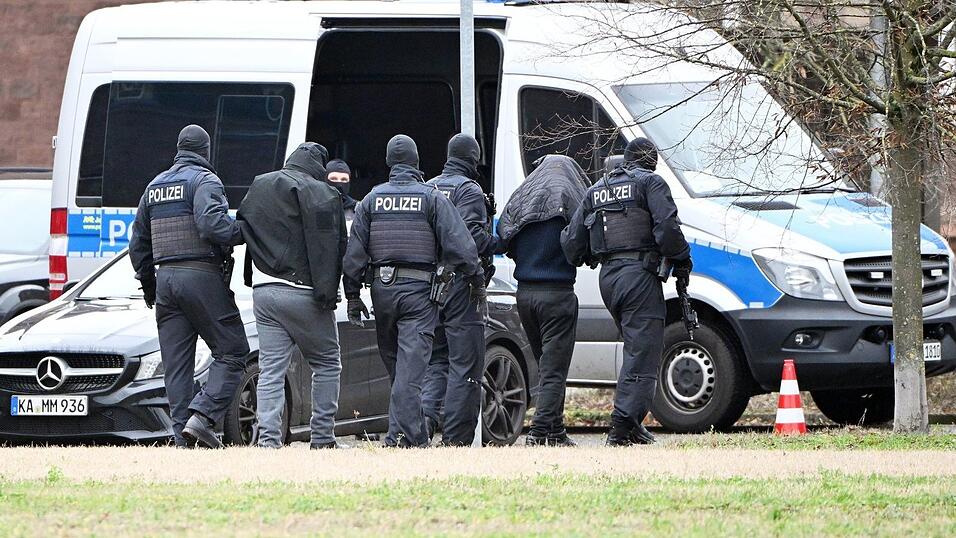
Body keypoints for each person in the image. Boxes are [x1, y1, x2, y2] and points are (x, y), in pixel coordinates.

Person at [343, 134, 484, 448]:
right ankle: (413, 437)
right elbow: (462, 246)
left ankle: (397, 435)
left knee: (397, 368)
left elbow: (353, 255)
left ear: (390, 164)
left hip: (382, 291)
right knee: (409, 372)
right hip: (419, 294)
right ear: (416, 162)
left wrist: (353, 296)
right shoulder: (431, 197)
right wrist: (475, 278)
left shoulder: (370, 199)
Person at [562, 138, 692, 446]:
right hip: (639, 278)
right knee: (643, 352)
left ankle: (633, 424)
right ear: (652, 161)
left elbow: (571, 243)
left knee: (635, 348)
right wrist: (683, 259)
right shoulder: (651, 183)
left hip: (609, 279)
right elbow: (668, 229)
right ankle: (622, 426)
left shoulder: (597, 190)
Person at [129, 124, 248, 449]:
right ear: (205, 151)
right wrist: (245, 231)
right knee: (234, 351)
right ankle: (203, 416)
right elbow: (214, 227)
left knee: (177, 365)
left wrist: (150, 287)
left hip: (165, 279)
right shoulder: (204, 180)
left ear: (179, 148)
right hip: (201, 275)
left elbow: (138, 243)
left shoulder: (154, 187)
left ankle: (183, 437)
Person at [237, 142, 347, 450]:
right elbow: (330, 247)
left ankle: (268, 440)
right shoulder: (324, 194)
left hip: (263, 291)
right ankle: (322, 438)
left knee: (272, 368)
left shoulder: (260, 184)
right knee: (327, 363)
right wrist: (329, 294)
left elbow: (246, 227)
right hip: (302, 293)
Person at [496, 155, 589, 447]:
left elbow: (505, 239)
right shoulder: (573, 202)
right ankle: (538, 434)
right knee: (554, 368)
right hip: (558, 295)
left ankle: (556, 431)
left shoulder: (523, 201)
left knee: (546, 364)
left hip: (524, 295)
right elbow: (583, 247)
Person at [420, 133, 496, 446]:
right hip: (462, 285)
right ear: (473, 158)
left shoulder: (428, 187)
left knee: (436, 361)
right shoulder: (469, 189)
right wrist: (504, 240)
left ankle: (423, 424)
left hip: (428, 287)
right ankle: (455, 439)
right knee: (465, 364)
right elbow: (474, 239)